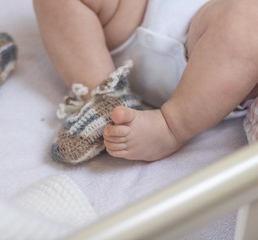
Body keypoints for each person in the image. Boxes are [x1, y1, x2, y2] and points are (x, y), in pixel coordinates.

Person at [33, 0, 258, 163]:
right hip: (144, 14)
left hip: (221, 53)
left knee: (246, 21)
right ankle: (103, 96)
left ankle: (170, 128)